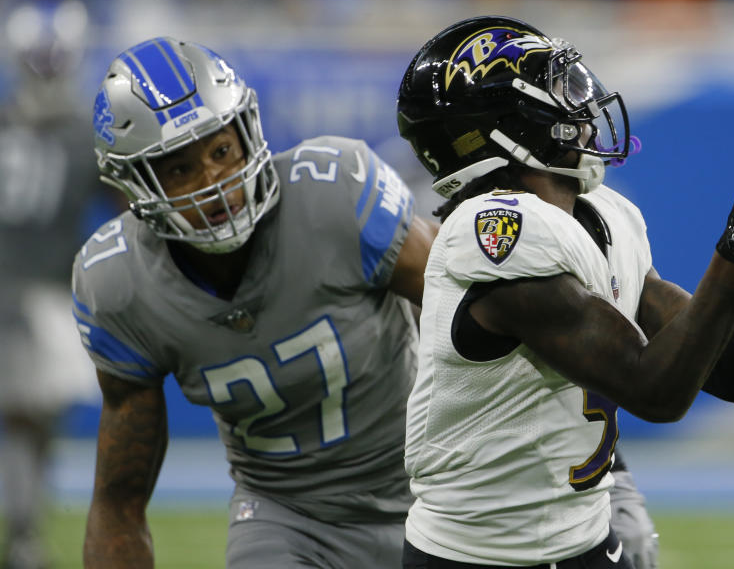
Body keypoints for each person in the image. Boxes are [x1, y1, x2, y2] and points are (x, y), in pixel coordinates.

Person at [73, 36, 657, 568]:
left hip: (438, 493)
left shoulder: (334, 195)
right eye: (179, 168)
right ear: (133, 188)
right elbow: (119, 500)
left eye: (221, 151)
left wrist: (609, 474)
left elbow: (523, 327)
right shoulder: (118, 286)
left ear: (247, 132)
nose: (214, 180)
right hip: (290, 516)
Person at [395, 15, 734, 568]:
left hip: (582, 539)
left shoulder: (603, 216)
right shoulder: (494, 235)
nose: (584, 106)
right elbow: (655, 391)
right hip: (476, 557)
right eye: (559, 91)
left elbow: (730, 369)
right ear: (511, 128)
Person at [0, 0, 104, 569]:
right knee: (27, 421)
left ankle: (25, 527)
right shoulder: (77, 136)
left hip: (24, 287)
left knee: (30, 421)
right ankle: (23, 537)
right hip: (36, 293)